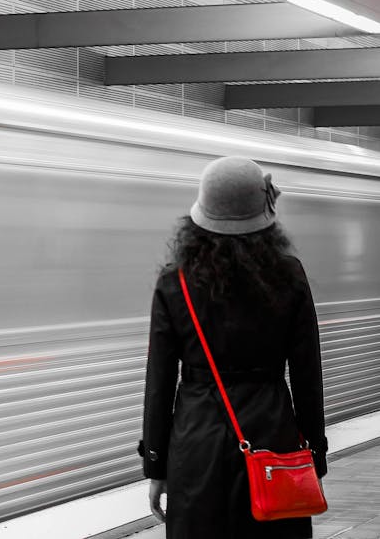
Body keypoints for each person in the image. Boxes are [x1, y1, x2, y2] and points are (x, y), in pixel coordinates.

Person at [139, 156, 327, 539]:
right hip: (273, 441)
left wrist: (156, 467)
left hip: (197, 444)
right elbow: (308, 374)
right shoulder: (288, 275)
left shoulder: (174, 281)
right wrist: (313, 459)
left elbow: (159, 381)